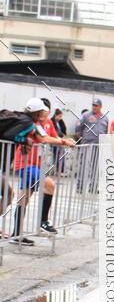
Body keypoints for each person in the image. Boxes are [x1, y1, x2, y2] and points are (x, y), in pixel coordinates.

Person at [11, 98, 74, 244]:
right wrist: (65, 142)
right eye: (41, 111)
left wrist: (64, 141)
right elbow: (44, 139)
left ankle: (16, 234)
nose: (44, 114)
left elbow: (53, 137)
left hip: (35, 163)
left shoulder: (45, 123)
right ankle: (43, 221)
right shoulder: (31, 123)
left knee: (24, 198)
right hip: (25, 164)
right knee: (49, 184)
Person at [75, 98, 108, 191]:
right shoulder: (85, 115)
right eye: (93, 105)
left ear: (100, 107)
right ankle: (80, 186)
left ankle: (93, 186)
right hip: (87, 145)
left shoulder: (105, 118)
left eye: (96, 105)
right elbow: (78, 130)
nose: (94, 107)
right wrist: (83, 140)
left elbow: (105, 132)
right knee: (83, 165)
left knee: (96, 167)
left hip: (98, 146)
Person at [51, 108, 68, 174]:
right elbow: (54, 132)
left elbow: (63, 130)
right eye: (60, 116)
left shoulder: (60, 122)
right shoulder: (52, 122)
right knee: (57, 155)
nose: (60, 118)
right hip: (55, 140)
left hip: (60, 140)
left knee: (61, 155)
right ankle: (59, 170)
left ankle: (61, 170)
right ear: (56, 115)